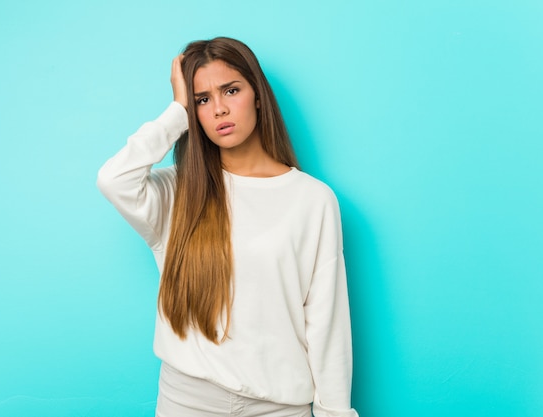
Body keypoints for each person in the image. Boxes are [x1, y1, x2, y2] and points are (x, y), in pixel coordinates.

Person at [97, 37, 358, 417]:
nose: (218, 109)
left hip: (278, 407)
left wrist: (335, 412)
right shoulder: (178, 191)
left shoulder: (312, 199)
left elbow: (327, 322)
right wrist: (176, 112)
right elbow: (113, 179)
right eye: (202, 99)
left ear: (257, 95)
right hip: (186, 400)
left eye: (231, 90)